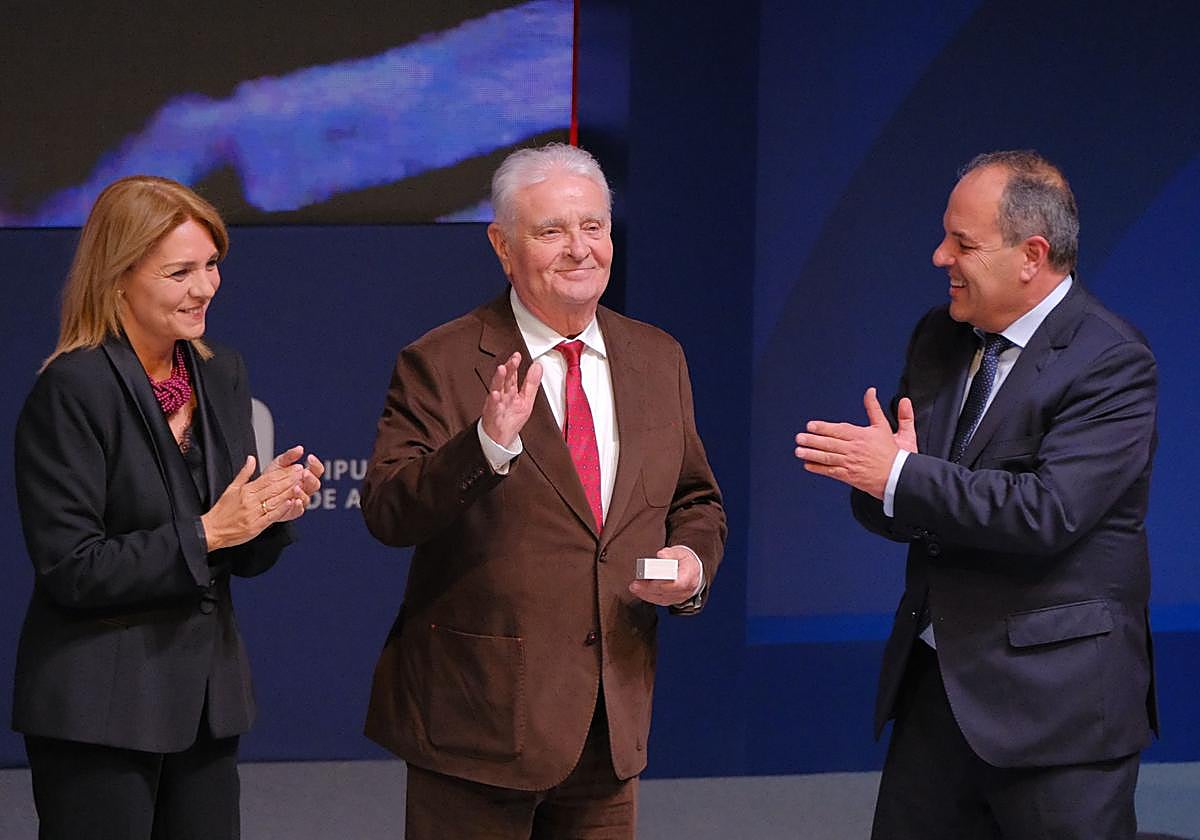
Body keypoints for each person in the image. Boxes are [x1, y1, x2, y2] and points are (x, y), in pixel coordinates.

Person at [362, 142, 726, 838]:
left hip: (609, 718)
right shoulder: (439, 362)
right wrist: (486, 443)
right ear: (501, 246)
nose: (578, 249)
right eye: (551, 231)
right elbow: (387, 509)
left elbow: (695, 501)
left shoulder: (658, 357)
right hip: (479, 721)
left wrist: (692, 562)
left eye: (593, 227)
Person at [794, 151, 1157, 839]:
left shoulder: (1111, 361)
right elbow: (902, 498)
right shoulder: (940, 337)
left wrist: (900, 477)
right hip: (937, 688)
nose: (940, 257)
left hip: (1057, 715)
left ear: (1032, 255)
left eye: (962, 244)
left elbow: (1047, 512)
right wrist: (878, 482)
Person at [12, 175, 324, 840]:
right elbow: (73, 568)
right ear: (118, 276)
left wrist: (273, 510)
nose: (205, 287)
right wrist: (209, 531)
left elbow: (238, 551)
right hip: (99, 712)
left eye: (211, 265)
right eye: (180, 271)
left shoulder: (221, 373)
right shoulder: (73, 389)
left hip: (206, 708)